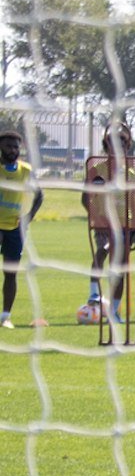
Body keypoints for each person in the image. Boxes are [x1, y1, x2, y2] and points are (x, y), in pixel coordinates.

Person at [84, 124, 135, 312]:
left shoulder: (130, 172)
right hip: (103, 221)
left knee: (120, 268)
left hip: (125, 225)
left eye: (123, 142)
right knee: (103, 250)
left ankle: (114, 311)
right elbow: (86, 198)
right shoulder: (97, 168)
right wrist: (96, 219)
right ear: (106, 145)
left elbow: (132, 202)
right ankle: (94, 292)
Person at [0, 130, 43, 330]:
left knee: (11, 273)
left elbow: (39, 196)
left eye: (16, 146)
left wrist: (28, 217)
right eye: (8, 146)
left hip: (15, 230)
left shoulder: (26, 170)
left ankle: (5, 317)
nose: (12, 150)